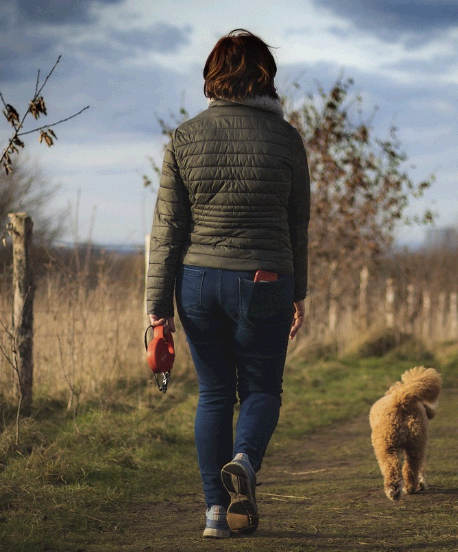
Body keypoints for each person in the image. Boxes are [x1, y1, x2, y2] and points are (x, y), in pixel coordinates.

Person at [145, 29, 310, 539]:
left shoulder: (185, 137)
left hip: (196, 283)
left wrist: (157, 306)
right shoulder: (286, 139)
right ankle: (244, 460)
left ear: (213, 77)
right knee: (261, 389)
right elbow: (297, 223)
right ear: (266, 77)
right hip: (264, 280)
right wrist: (298, 291)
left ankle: (216, 513)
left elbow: (167, 227)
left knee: (214, 394)